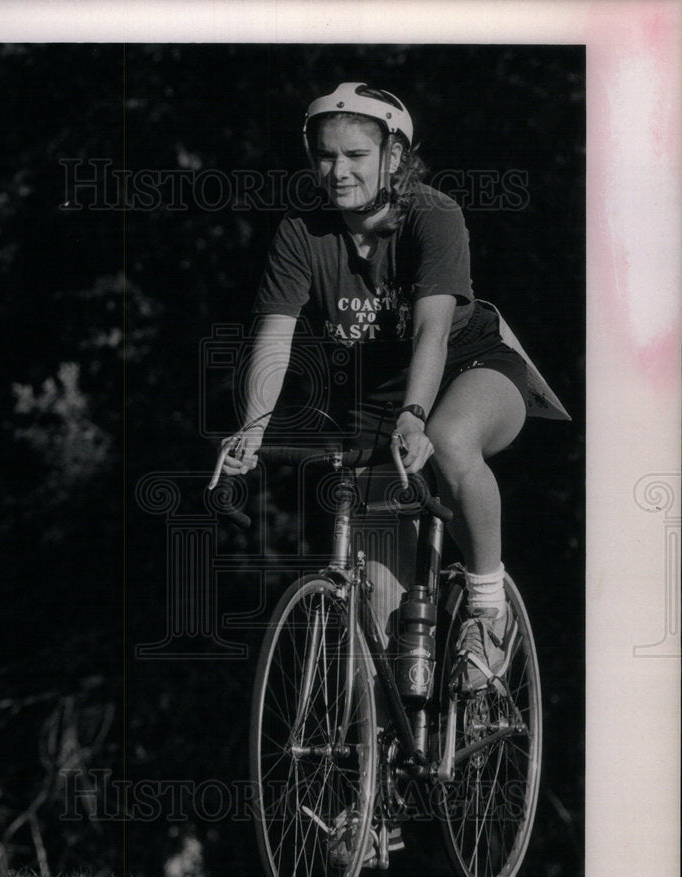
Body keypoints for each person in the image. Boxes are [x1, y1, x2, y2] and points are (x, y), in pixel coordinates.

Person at [223, 81, 544, 692]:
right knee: (384, 630)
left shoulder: (434, 213)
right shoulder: (301, 230)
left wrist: (416, 414)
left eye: (355, 156)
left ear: (393, 156)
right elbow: (274, 337)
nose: (336, 170)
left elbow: (432, 333)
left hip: (472, 370)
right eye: (324, 155)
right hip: (379, 400)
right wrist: (254, 424)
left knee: (449, 439)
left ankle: (487, 607)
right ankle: (392, 753)